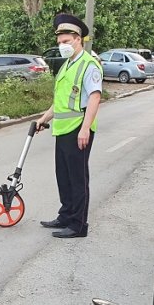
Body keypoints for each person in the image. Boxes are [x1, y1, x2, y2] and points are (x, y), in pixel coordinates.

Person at [35, 14, 103, 238]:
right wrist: (44, 118)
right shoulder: (67, 66)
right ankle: (65, 215)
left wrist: (85, 128)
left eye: (65, 42)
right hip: (63, 130)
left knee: (77, 178)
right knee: (63, 176)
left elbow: (94, 97)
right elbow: (60, 101)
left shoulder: (89, 65)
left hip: (78, 130)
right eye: (59, 43)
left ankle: (78, 225)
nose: (62, 46)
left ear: (78, 39)